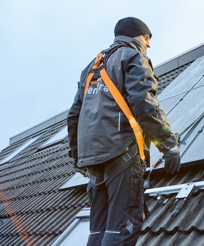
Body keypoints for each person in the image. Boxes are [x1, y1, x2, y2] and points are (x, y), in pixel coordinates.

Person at [67, 17, 180, 246]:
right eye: (147, 38)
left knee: (98, 231)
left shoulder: (92, 66)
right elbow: (144, 105)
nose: (149, 45)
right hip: (122, 154)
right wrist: (169, 145)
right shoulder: (133, 56)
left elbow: (74, 116)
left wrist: (78, 158)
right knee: (122, 228)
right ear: (136, 35)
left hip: (93, 162)